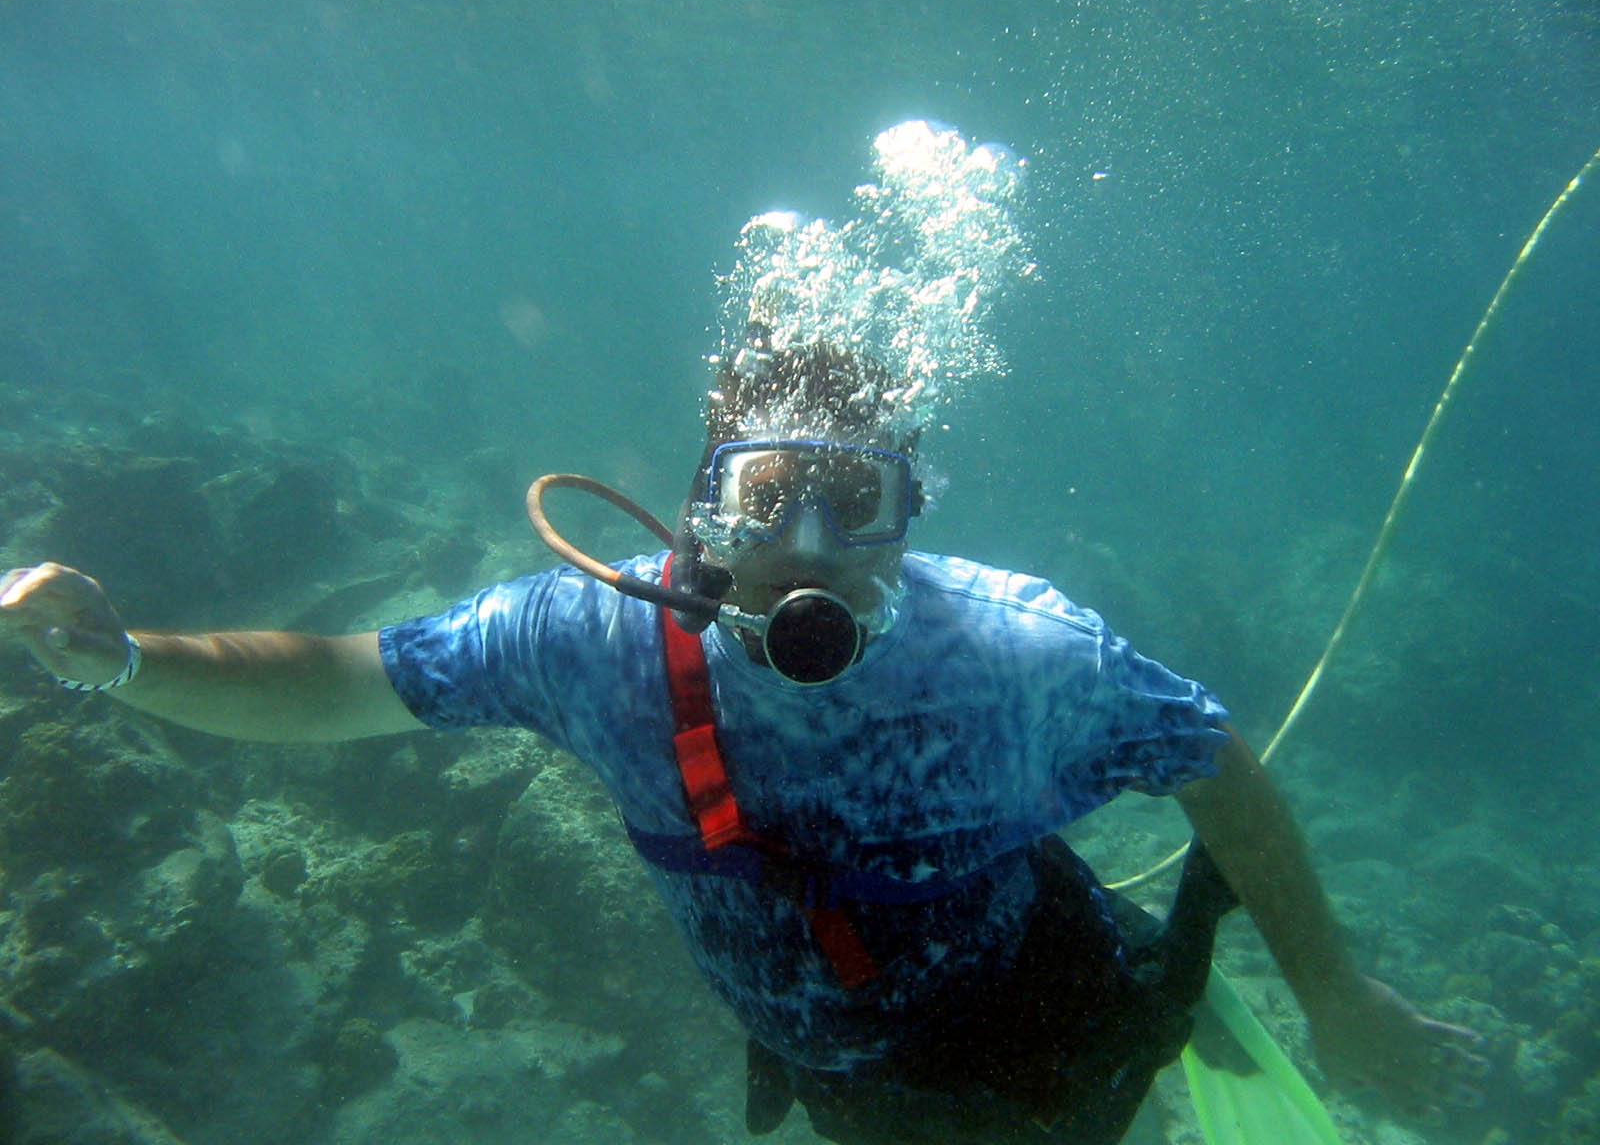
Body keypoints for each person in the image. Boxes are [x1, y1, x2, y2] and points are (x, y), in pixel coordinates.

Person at [2, 339, 1483, 1144]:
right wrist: (125, 664)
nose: (815, 546)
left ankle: (1182, 1029)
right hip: (835, 1080)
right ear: (705, 509)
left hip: (1045, 1011)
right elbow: (340, 681)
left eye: (862, 498)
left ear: (915, 515)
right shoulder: (589, 645)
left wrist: (1335, 990)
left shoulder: (1019, 654)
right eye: (769, 496)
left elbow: (1210, 756)